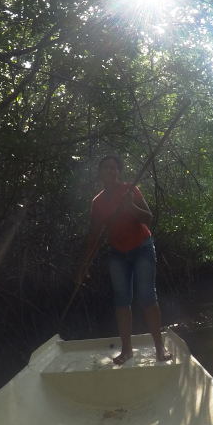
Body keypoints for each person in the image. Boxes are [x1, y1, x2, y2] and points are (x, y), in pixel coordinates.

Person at [75, 154, 172, 364]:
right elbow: (93, 236)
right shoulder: (98, 202)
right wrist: (84, 265)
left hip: (142, 247)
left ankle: (159, 346)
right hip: (118, 253)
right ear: (100, 172)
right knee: (121, 300)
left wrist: (130, 206)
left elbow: (148, 218)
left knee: (147, 296)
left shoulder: (130, 190)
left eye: (113, 168)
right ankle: (127, 350)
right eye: (106, 167)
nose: (110, 170)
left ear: (118, 172)